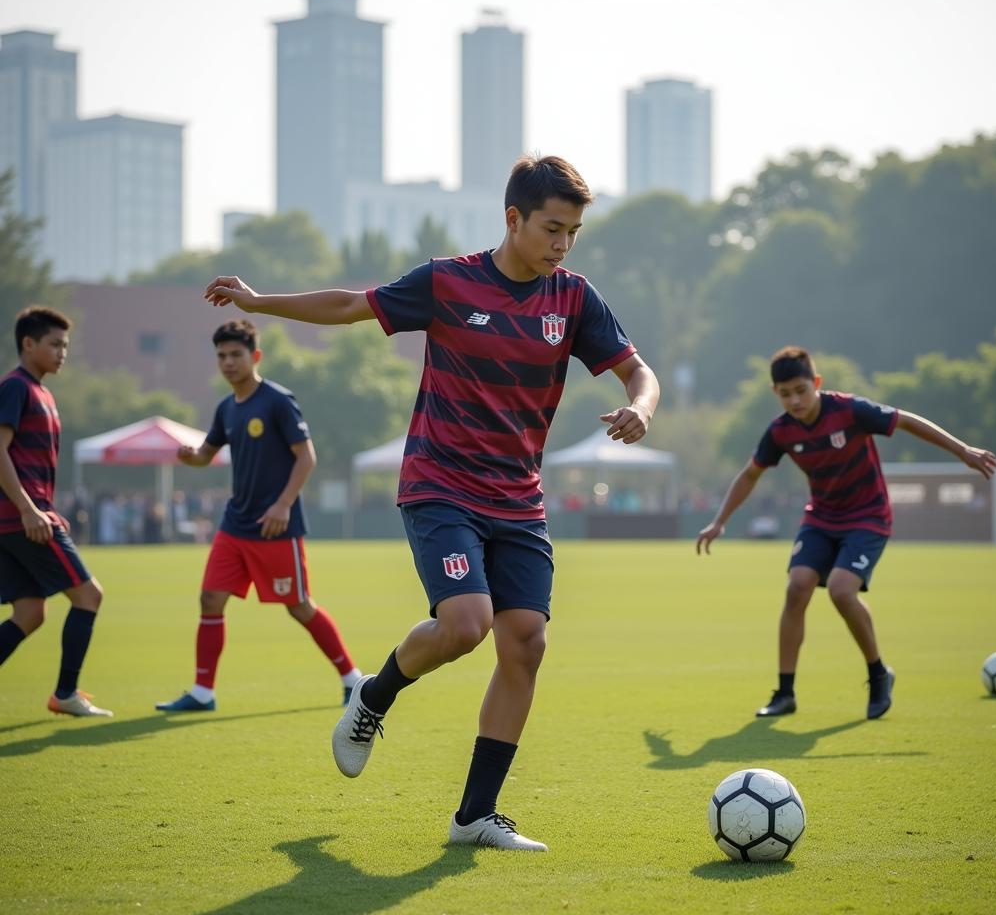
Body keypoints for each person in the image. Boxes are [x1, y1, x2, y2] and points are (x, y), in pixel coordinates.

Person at [204, 155, 660, 851]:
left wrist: (642, 407)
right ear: (513, 220)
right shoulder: (448, 281)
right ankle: (373, 696)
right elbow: (354, 305)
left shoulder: (572, 298)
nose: (563, 245)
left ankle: (474, 815)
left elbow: (637, 370)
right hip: (440, 485)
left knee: (527, 644)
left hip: (518, 499)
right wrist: (263, 304)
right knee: (468, 623)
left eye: (572, 232)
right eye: (551, 229)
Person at [696, 346, 996, 720]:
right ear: (776, 394)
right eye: (785, 393)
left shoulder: (850, 410)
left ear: (817, 384)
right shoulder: (781, 431)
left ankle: (877, 673)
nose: (795, 400)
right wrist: (720, 520)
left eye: (801, 390)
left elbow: (905, 420)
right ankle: (785, 693)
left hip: (868, 516)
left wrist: (962, 450)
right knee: (797, 587)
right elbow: (751, 473)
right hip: (821, 518)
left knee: (841, 590)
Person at [155, 319, 361, 712]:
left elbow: (307, 458)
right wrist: (190, 456)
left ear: (256, 356)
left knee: (298, 605)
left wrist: (283, 504)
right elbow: (205, 455)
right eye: (222, 356)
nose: (228, 362)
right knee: (210, 599)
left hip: (275, 527)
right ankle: (203, 692)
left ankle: (353, 679)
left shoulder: (278, 401)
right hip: (236, 524)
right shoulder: (226, 408)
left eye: (236, 354)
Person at [0, 307, 110, 717]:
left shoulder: (41, 391)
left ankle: (66, 693)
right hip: (23, 520)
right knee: (89, 595)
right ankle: (66, 693)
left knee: (29, 614)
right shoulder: (16, 388)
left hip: (21, 518)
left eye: (65, 345)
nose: (62, 352)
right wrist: (30, 510)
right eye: (54, 344)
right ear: (28, 344)